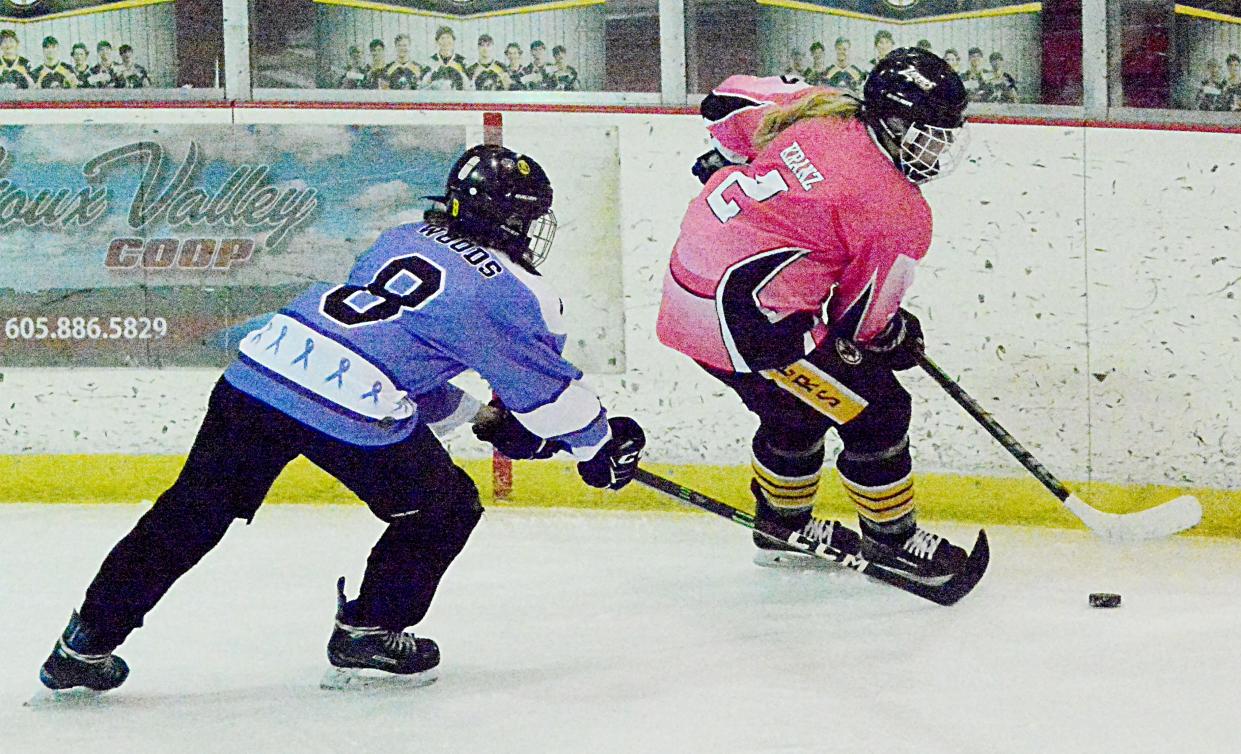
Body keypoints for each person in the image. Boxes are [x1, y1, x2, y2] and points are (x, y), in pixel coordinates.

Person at [37, 144, 647, 696]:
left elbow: (393, 350)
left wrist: (479, 415)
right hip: (350, 404)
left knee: (191, 512)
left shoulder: (403, 236)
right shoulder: (516, 292)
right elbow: (547, 396)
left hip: (266, 366)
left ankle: (82, 644)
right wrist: (597, 445)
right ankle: (370, 628)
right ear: (514, 219)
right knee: (445, 508)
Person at [658, 49, 971, 585]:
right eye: (926, 134)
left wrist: (728, 158)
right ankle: (892, 543)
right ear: (892, 121)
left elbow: (725, 99)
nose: (936, 149)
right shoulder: (898, 210)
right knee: (879, 411)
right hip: (750, 328)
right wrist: (893, 334)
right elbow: (859, 323)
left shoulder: (819, 107)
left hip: (687, 295)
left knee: (794, 413)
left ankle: (782, 530)